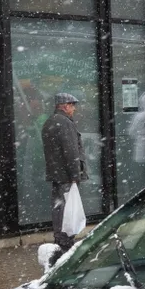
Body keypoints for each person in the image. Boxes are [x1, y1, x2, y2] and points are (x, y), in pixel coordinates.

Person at [41, 91, 89, 251]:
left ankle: (60, 238)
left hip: (56, 173)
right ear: (65, 106)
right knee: (67, 209)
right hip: (67, 176)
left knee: (59, 206)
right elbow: (71, 151)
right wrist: (75, 175)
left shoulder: (50, 121)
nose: (74, 109)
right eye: (72, 105)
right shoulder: (65, 123)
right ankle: (65, 241)